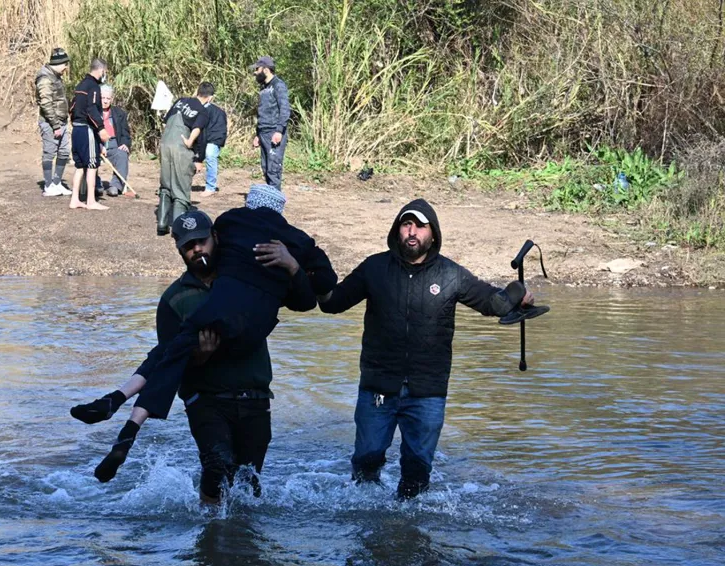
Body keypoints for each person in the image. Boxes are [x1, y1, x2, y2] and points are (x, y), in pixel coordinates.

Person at [81, 185, 337, 484]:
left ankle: (121, 410)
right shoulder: (175, 298)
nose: (197, 250)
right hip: (207, 401)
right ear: (178, 250)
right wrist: (200, 357)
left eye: (202, 241)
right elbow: (168, 360)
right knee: (216, 472)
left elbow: (304, 302)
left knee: (248, 484)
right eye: (188, 246)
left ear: (217, 238)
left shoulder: (259, 264)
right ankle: (124, 420)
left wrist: (292, 264)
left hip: (254, 396)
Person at [317, 198, 536, 499]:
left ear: (433, 234)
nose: (412, 232)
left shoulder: (450, 275)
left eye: (420, 226)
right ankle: (367, 526)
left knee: (417, 475)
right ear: (397, 230)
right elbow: (332, 303)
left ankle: (409, 532)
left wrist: (518, 291)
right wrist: (310, 271)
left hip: (427, 392)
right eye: (407, 224)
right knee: (366, 463)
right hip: (378, 389)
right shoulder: (374, 268)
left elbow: (492, 303)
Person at [156, 83, 213, 235]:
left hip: (165, 144)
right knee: (181, 188)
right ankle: (178, 229)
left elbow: (166, 120)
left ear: (197, 91)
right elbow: (197, 129)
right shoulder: (203, 111)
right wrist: (191, 144)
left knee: (166, 185)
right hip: (181, 147)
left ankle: (161, 224)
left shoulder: (180, 101)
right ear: (210, 98)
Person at [69, 59, 109, 211]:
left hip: (76, 129)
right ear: (101, 70)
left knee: (80, 166)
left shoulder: (80, 85)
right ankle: (91, 201)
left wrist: (74, 122)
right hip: (86, 129)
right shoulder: (93, 87)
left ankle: (75, 199)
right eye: (105, 72)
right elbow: (92, 109)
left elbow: (72, 107)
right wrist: (100, 128)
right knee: (92, 164)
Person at [34, 48, 73, 197]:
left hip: (61, 122)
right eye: (65, 64)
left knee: (64, 152)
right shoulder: (45, 78)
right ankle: (49, 185)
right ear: (58, 63)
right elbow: (46, 103)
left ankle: (57, 183)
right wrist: (55, 125)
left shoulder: (56, 76)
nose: (66, 68)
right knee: (49, 153)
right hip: (50, 123)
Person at [250, 56, 290, 189]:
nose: (255, 72)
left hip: (274, 132)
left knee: (274, 169)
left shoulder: (278, 85)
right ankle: (269, 199)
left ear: (266, 70)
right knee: (266, 168)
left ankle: (275, 204)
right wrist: (257, 134)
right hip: (263, 132)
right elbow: (262, 111)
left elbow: (284, 109)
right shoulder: (263, 88)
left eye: (257, 69)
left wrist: (279, 131)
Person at [99, 84, 132, 197]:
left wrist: (125, 144)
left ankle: (115, 186)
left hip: (114, 143)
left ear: (112, 99)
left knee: (122, 153)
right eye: (103, 98)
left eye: (108, 98)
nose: (105, 101)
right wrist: (99, 146)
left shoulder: (119, 113)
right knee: (90, 156)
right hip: (97, 144)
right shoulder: (92, 112)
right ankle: (96, 184)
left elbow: (125, 133)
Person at [201, 86, 227, 198]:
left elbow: (220, 132)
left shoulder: (218, 112)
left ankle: (210, 187)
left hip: (213, 139)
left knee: (210, 154)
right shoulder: (194, 109)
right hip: (199, 139)